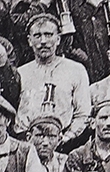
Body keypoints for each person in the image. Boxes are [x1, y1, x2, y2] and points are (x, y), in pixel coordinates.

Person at [15, 13, 92, 145]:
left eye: (49, 35)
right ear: (29, 40)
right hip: (26, 143)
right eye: (37, 36)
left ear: (58, 39)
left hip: (64, 142)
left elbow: (83, 113)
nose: (43, 41)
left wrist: (68, 136)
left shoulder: (76, 70)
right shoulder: (21, 73)